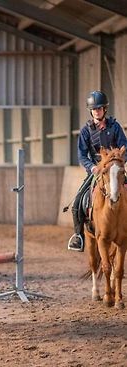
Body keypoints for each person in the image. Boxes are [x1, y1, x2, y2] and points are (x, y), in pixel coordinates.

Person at [67, 90, 127, 251]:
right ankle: (78, 236)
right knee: (77, 203)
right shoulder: (86, 130)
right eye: (94, 109)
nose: (97, 111)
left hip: (115, 171)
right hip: (96, 172)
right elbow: (81, 154)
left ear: (105, 109)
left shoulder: (115, 127)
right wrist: (92, 167)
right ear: (91, 111)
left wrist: (119, 164)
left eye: (99, 108)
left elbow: (124, 148)